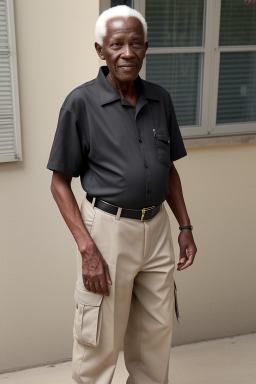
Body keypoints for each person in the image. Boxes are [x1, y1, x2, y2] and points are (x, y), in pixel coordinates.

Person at [47, 5, 197, 384]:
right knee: (99, 341)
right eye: (117, 44)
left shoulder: (160, 99)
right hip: (108, 231)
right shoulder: (80, 103)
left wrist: (185, 226)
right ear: (101, 50)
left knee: (155, 337)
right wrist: (87, 248)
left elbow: (170, 170)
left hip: (157, 229)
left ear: (145, 47)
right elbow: (59, 182)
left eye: (135, 43)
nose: (127, 52)